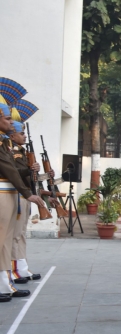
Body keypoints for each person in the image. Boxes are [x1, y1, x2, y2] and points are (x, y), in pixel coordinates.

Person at [0, 100, 46, 302]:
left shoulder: (4, 144)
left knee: (8, 240)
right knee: (4, 241)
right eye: (7, 118)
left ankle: (5, 282)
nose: (11, 122)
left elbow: (16, 171)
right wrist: (28, 193)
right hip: (5, 193)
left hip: (9, 193)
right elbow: (10, 171)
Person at [8, 117, 45, 283]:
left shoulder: (22, 151)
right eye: (21, 133)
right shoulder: (13, 151)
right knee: (15, 235)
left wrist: (35, 171)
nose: (24, 136)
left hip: (25, 193)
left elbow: (27, 174)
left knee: (21, 234)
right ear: (12, 136)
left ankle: (21, 268)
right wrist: (29, 169)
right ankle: (14, 270)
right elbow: (14, 172)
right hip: (16, 193)